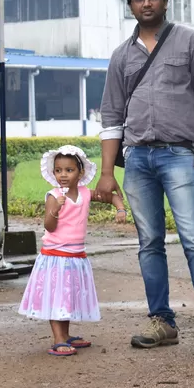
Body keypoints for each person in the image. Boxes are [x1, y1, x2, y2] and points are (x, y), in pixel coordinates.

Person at [96, 0, 194, 355]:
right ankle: (162, 321)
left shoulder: (189, 41)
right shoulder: (121, 56)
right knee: (149, 244)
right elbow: (111, 117)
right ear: (130, 5)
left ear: (165, 1)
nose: (147, 3)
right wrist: (107, 173)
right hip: (137, 159)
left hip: (179, 156)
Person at [18, 145, 127, 357]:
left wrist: (120, 208)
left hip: (75, 256)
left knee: (66, 297)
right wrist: (56, 209)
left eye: (69, 170)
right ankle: (58, 339)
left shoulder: (85, 193)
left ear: (81, 172)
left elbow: (110, 196)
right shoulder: (53, 195)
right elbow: (49, 226)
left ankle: (66, 336)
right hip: (56, 257)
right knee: (57, 298)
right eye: (58, 170)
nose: (63, 175)